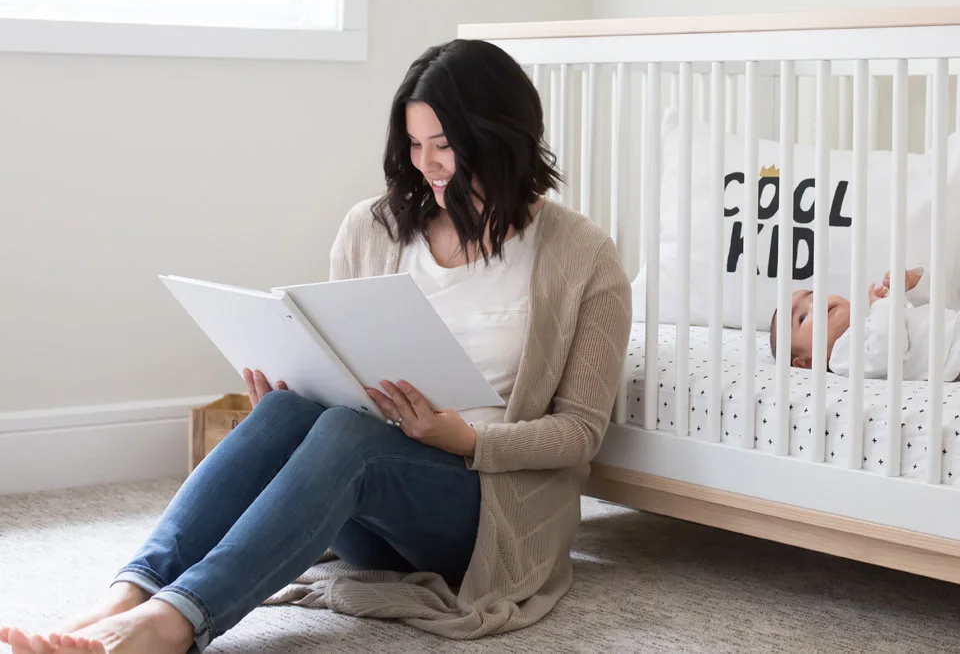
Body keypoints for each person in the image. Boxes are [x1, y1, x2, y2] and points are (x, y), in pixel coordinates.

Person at [1, 40, 633, 654]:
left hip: (484, 511)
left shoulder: (581, 255)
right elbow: (339, 355)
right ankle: (127, 597)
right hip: (370, 509)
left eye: (444, 145)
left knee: (347, 437)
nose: (427, 164)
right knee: (290, 413)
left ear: (502, 134)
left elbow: (579, 431)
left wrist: (464, 439)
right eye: (414, 145)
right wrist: (297, 378)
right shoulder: (374, 226)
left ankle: (172, 623)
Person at [770, 267, 960, 383]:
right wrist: (884, 303)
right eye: (803, 317)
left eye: (813, 296)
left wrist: (909, 287)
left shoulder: (870, 322)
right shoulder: (843, 357)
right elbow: (891, 349)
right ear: (806, 362)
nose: (815, 305)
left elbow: (921, 318)